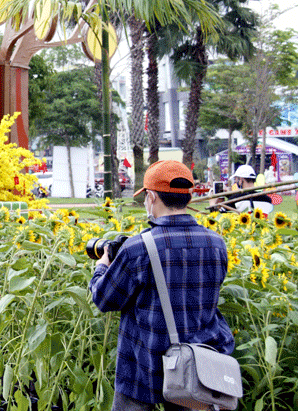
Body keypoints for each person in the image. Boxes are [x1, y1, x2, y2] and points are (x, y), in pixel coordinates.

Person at [90, 160, 234, 411]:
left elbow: (104, 299)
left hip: (142, 367)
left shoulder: (138, 247)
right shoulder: (216, 243)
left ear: (152, 196)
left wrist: (102, 266)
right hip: (197, 367)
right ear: (187, 197)